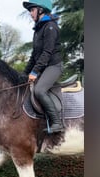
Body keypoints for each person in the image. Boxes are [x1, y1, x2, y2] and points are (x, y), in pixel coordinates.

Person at [22, 0, 64, 133]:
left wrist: (35, 72)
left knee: (39, 90)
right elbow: (34, 55)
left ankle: (56, 122)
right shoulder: (38, 29)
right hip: (44, 66)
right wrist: (24, 73)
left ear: (41, 10)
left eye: (32, 10)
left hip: (53, 66)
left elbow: (47, 52)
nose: (30, 13)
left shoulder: (50, 27)